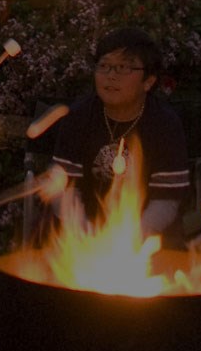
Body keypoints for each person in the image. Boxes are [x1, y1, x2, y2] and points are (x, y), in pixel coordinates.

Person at [47, 27, 191, 242]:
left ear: (148, 81)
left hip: (147, 238)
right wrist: (86, 232)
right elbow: (63, 191)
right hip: (80, 234)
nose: (111, 76)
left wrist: (128, 238)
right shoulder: (78, 118)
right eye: (104, 66)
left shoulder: (165, 125)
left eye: (123, 67)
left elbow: (166, 201)